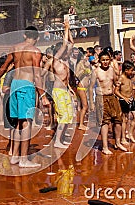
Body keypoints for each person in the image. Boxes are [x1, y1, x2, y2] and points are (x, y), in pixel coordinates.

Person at [0, 26, 49, 168]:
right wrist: (42, 95)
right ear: (36, 38)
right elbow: (36, 74)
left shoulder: (15, 48)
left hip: (15, 85)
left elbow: (4, 67)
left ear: (25, 36)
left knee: (18, 123)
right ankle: (24, 159)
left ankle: (15, 156)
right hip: (26, 86)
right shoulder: (36, 51)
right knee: (26, 123)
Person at [89, 51, 127, 155]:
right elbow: (91, 87)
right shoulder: (96, 72)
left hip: (112, 97)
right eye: (103, 60)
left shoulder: (111, 70)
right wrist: (91, 103)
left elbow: (115, 82)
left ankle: (118, 142)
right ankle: (105, 146)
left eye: (107, 60)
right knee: (104, 122)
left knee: (118, 120)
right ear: (100, 61)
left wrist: (119, 83)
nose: (105, 62)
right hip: (101, 98)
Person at [51, 20, 75, 148]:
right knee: (63, 116)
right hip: (58, 91)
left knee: (69, 117)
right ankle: (57, 141)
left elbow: (71, 43)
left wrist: (69, 29)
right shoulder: (56, 60)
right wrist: (65, 29)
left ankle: (62, 137)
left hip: (65, 90)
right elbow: (66, 44)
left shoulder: (66, 61)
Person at [115, 61, 135, 144]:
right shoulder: (121, 78)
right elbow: (115, 91)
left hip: (131, 99)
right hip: (124, 100)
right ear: (126, 70)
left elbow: (129, 86)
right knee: (124, 120)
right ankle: (123, 138)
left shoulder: (129, 77)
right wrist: (124, 98)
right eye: (131, 70)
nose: (133, 72)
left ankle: (130, 134)